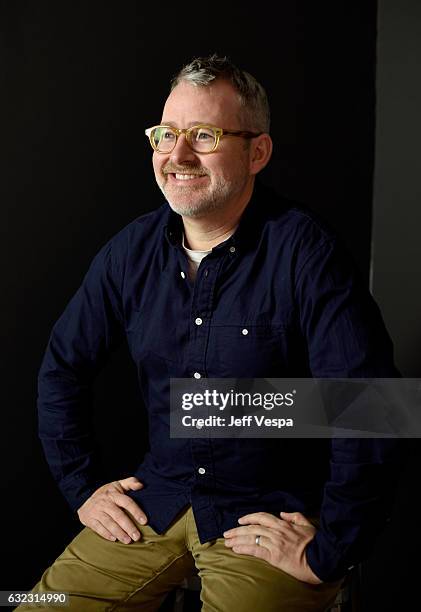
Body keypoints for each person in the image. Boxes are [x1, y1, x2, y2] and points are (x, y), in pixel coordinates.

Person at [19, 54, 401, 611]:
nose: (178, 155)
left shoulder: (306, 251)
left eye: (204, 135)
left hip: (266, 518)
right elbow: (61, 368)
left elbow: (374, 407)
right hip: (159, 499)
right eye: (167, 135)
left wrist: (330, 550)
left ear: (258, 152)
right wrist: (83, 490)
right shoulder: (131, 251)